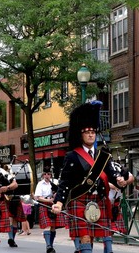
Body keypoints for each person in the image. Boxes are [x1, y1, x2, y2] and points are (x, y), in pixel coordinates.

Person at [51, 102, 131, 253]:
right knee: (85, 237)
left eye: (93, 132)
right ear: (80, 134)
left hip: (99, 200)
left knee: (92, 238)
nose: (90, 135)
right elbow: (65, 182)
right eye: (87, 132)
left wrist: (121, 180)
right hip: (80, 200)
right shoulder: (72, 156)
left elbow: (113, 176)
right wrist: (59, 202)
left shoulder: (104, 156)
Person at [34, 166, 65, 253]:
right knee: (47, 225)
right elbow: (38, 197)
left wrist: (56, 195)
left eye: (48, 174)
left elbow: (60, 193)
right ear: (43, 175)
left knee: (53, 227)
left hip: (54, 204)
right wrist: (48, 200)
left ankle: (50, 245)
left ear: (51, 175)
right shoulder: (40, 184)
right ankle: (48, 245)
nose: (47, 176)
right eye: (45, 174)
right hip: (44, 204)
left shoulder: (55, 182)